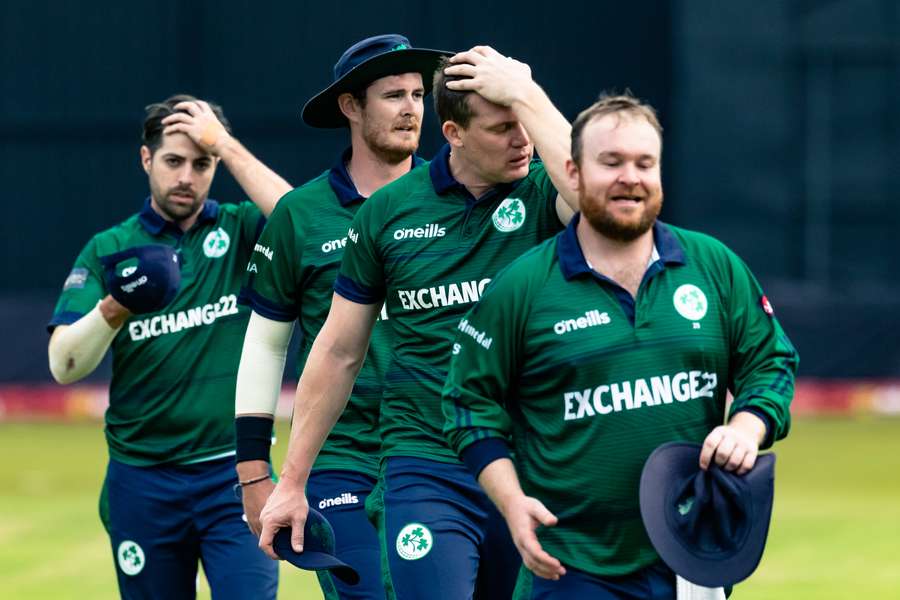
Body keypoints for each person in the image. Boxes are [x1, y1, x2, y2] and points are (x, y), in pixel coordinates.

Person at [441, 90, 799, 598]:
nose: (629, 176)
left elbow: (771, 360)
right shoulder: (522, 287)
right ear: (574, 172)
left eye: (644, 163)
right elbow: (466, 402)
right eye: (610, 162)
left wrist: (747, 425)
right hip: (567, 566)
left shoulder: (713, 265)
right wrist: (511, 500)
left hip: (691, 555)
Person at [257, 46, 579, 599]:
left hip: (531, 460)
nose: (522, 140)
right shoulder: (388, 213)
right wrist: (290, 481)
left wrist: (525, 92)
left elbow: (597, 193)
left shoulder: (546, 194)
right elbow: (337, 351)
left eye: (525, 123)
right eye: (504, 127)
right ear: (453, 133)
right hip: (426, 462)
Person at [47, 94, 292, 599]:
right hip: (144, 481)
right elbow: (63, 365)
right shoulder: (110, 249)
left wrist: (223, 142)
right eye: (173, 161)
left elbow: (305, 223)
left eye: (202, 164)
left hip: (235, 474)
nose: (187, 177)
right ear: (146, 159)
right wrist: (114, 306)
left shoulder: (244, 228)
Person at [234, 34, 449, 599]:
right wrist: (255, 473)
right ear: (351, 107)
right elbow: (263, 347)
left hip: (440, 452)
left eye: (418, 94)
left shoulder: (454, 204)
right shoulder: (299, 215)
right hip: (343, 458)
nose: (411, 110)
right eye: (392, 96)